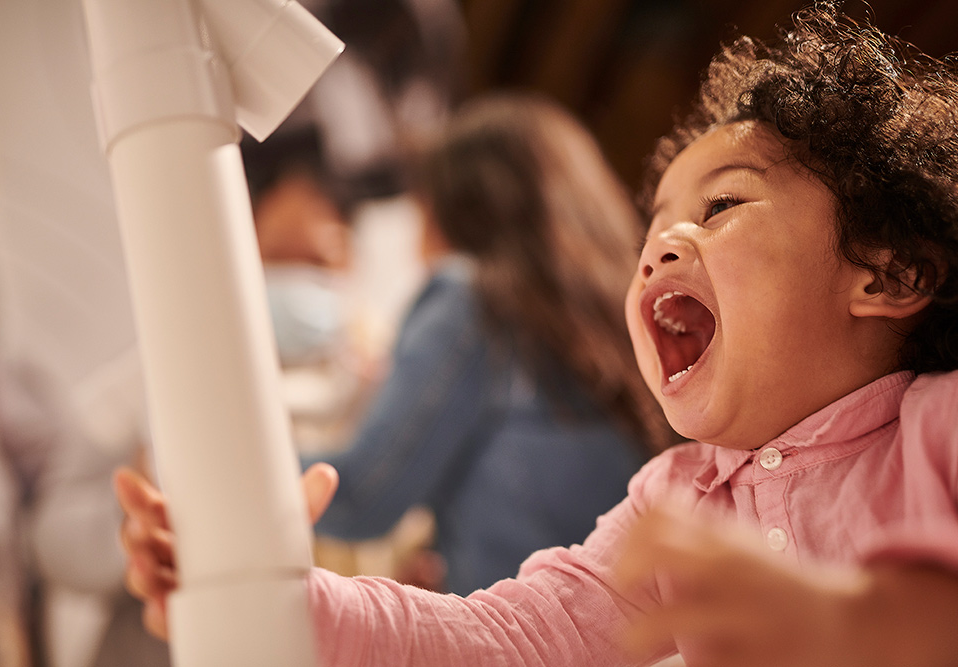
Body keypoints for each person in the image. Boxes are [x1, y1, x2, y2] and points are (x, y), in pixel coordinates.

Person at [116, 4, 958, 665]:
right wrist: (263, 594)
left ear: (889, 275)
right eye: (652, 228)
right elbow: (513, 637)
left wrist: (844, 621)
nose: (661, 246)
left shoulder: (939, 429)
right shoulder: (675, 498)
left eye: (722, 206)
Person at [304, 92, 666, 594]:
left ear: (447, 212)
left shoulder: (471, 301)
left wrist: (219, 458)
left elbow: (358, 497)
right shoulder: (628, 323)